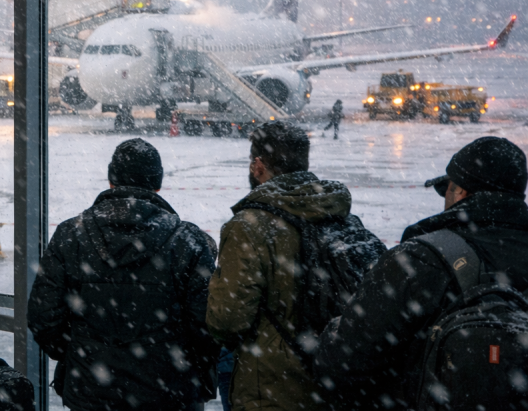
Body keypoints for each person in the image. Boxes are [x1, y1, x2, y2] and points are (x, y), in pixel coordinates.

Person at [315, 136, 528, 409]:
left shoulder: (420, 259)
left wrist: (333, 331)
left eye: (446, 190)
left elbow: (343, 364)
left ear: (460, 192)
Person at [28, 138, 219, 411]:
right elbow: (207, 327)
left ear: (111, 181)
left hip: (91, 393)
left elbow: (43, 317)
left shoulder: (71, 235)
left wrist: (81, 355)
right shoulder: (187, 241)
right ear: (157, 184)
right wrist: (180, 368)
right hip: (169, 394)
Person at [207, 122, 357, 411]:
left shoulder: (249, 227)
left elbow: (227, 320)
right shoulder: (340, 216)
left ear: (258, 166)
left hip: (273, 389)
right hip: (334, 382)